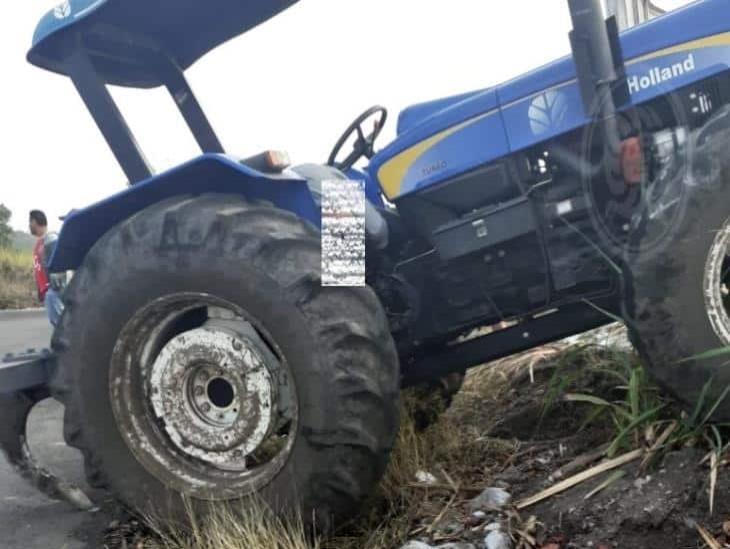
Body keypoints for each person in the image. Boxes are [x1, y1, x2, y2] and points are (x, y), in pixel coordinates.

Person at [29, 210, 64, 326]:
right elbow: (39, 269)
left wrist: (53, 289)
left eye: (30, 222)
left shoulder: (51, 239)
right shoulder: (39, 243)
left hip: (53, 291)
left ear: (35, 221)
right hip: (47, 291)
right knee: (57, 324)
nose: (29, 225)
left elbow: (58, 265)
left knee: (62, 325)